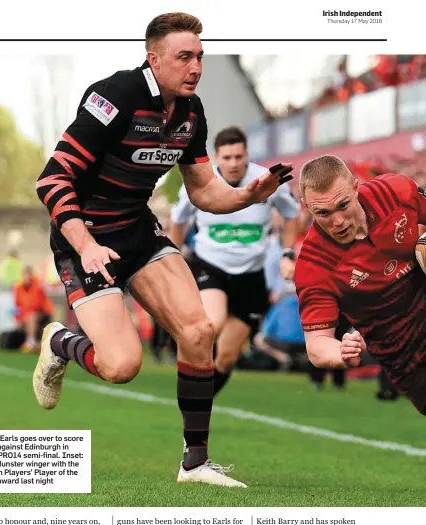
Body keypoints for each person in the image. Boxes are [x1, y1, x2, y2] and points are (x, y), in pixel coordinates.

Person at [33, 12, 293, 488]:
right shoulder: (115, 96)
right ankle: (58, 343)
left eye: (200, 57)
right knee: (122, 366)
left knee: (198, 330)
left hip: (137, 231)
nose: (195, 67)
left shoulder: (192, 115)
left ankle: (194, 463)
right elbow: (52, 180)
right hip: (84, 237)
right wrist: (87, 246)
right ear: (154, 59)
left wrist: (247, 197)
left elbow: (204, 192)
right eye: (184, 57)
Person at [169, 126, 300, 397]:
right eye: (226, 158)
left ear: (247, 155)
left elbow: (292, 215)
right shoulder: (199, 181)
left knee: (227, 358)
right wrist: (174, 254)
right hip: (210, 266)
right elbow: (178, 218)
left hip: (251, 274)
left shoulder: (268, 181)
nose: (233, 163)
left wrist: (288, 253)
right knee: (212, 323)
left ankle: (198, 400)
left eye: (238, 157)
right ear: (216, 157)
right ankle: (188, 375)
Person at [294, 154, 426, 415]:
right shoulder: (314, 266)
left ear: (356, 186)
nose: (338, 221)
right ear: (306, 206)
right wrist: (341, 352)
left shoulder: (396, 191)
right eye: (323, 213)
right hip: (409, 358)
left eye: (343, 205)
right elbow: (317, 344)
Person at [14, 266, 55, 352]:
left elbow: (37, 305)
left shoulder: (37, 286)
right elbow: (18, 305)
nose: (27, 279)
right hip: (27, 313)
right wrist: (19, 318)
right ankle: (23, 341)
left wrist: (25, 315)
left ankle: (31, 341)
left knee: (31, 316)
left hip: (43, 312)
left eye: (29, 276)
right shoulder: (18, 288)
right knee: (20, 320)